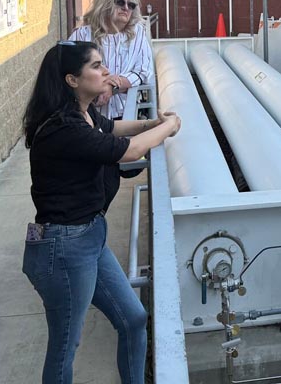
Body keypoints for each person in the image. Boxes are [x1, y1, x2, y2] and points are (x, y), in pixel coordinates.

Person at [21, 40, 179, 384]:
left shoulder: (83, 113)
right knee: (65, 344)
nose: (105, 71)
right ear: (72, 80)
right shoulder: (63, 127)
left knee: (133, 319)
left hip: (89, 237)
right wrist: (169, 126)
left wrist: (152, 122)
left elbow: (115, 130)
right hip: (63, 248)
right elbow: (127, 151)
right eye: (96, 66)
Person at [69, 0, 153, 119]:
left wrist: (112, 86)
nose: (126, 8)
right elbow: (69, 72)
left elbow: (143, 71)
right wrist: (100, 86)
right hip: (87, 115)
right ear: (105, 3)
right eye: (120, 2)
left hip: (127, 113)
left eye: (131, 5)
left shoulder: (137, 34)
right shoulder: (81, 35)